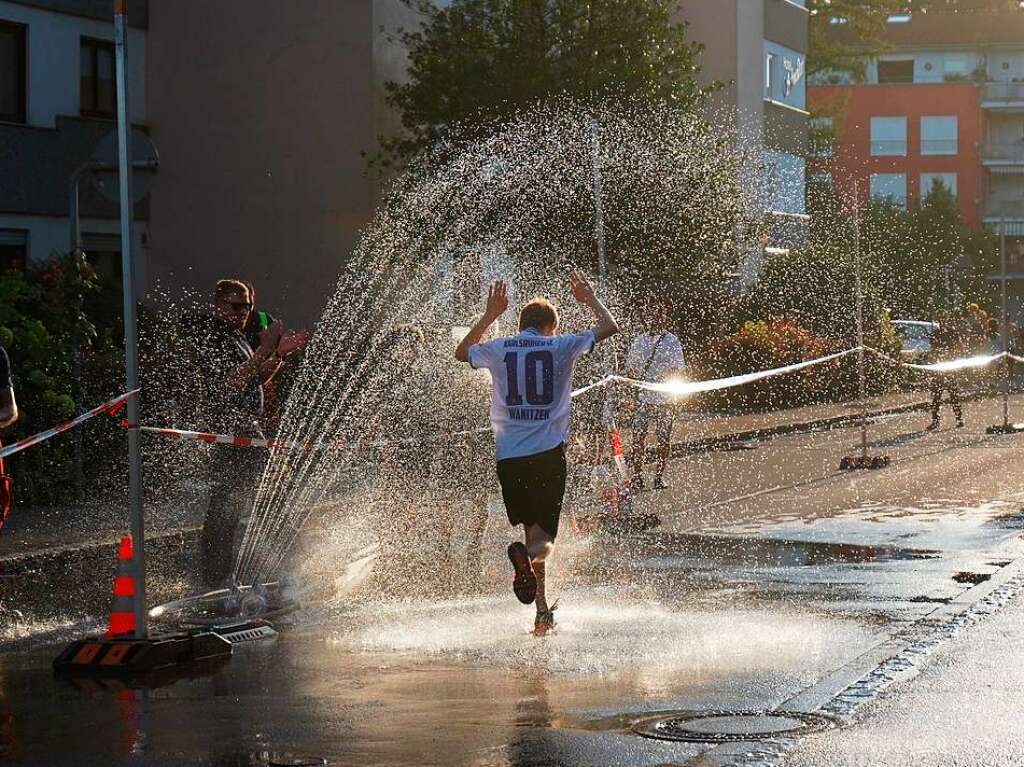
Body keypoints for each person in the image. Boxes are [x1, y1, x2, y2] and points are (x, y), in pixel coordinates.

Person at [455, 272, 619, 635]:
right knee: (542, 538)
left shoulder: (499, 348)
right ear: (550, 327)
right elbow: (610, 326)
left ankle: (542, 610)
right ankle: (528, 567)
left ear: (520, 324)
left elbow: (461, 352)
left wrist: (489, 315)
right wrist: (590, 299)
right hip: (547, 453)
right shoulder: (560, 345)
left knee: (532, 529)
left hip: (508, 456)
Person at [183, 278, 304, 587]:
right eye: (237, 306)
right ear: (219, 305)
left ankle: (277, 572)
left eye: (248, 306)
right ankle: (218, 579)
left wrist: (278, 355)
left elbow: (258, 379)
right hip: (228, 432)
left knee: (269, 496)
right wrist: (265, 348)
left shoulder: (238, 337)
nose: (244, 312)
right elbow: (228, 384)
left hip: (246, 430)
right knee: (231, 506)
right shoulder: (212, 337)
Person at [625, 302, 685, 491]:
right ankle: (637, 477)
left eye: (657, 315)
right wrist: (634, 385)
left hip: (665, 399)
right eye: (649, 315)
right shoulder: (639, 341)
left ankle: (659, 477)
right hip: (642, 398)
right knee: (638, 439)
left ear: (663, 317)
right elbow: (630, 370)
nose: (653, 319)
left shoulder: (672, 341)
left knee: (663, 439)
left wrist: (662, 378)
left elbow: (679, 368)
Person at [927, 312, 965, 431]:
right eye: (941, 320)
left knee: (952, 394)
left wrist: (954, 358)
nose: (942, 322)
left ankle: (958, 418)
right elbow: (933, 351)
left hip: (949, 367)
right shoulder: (936, 334)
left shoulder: (951, 332)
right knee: (937, 395)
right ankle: (936, 420)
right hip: (940, 368)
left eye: (943, 319)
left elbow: (959, 348)